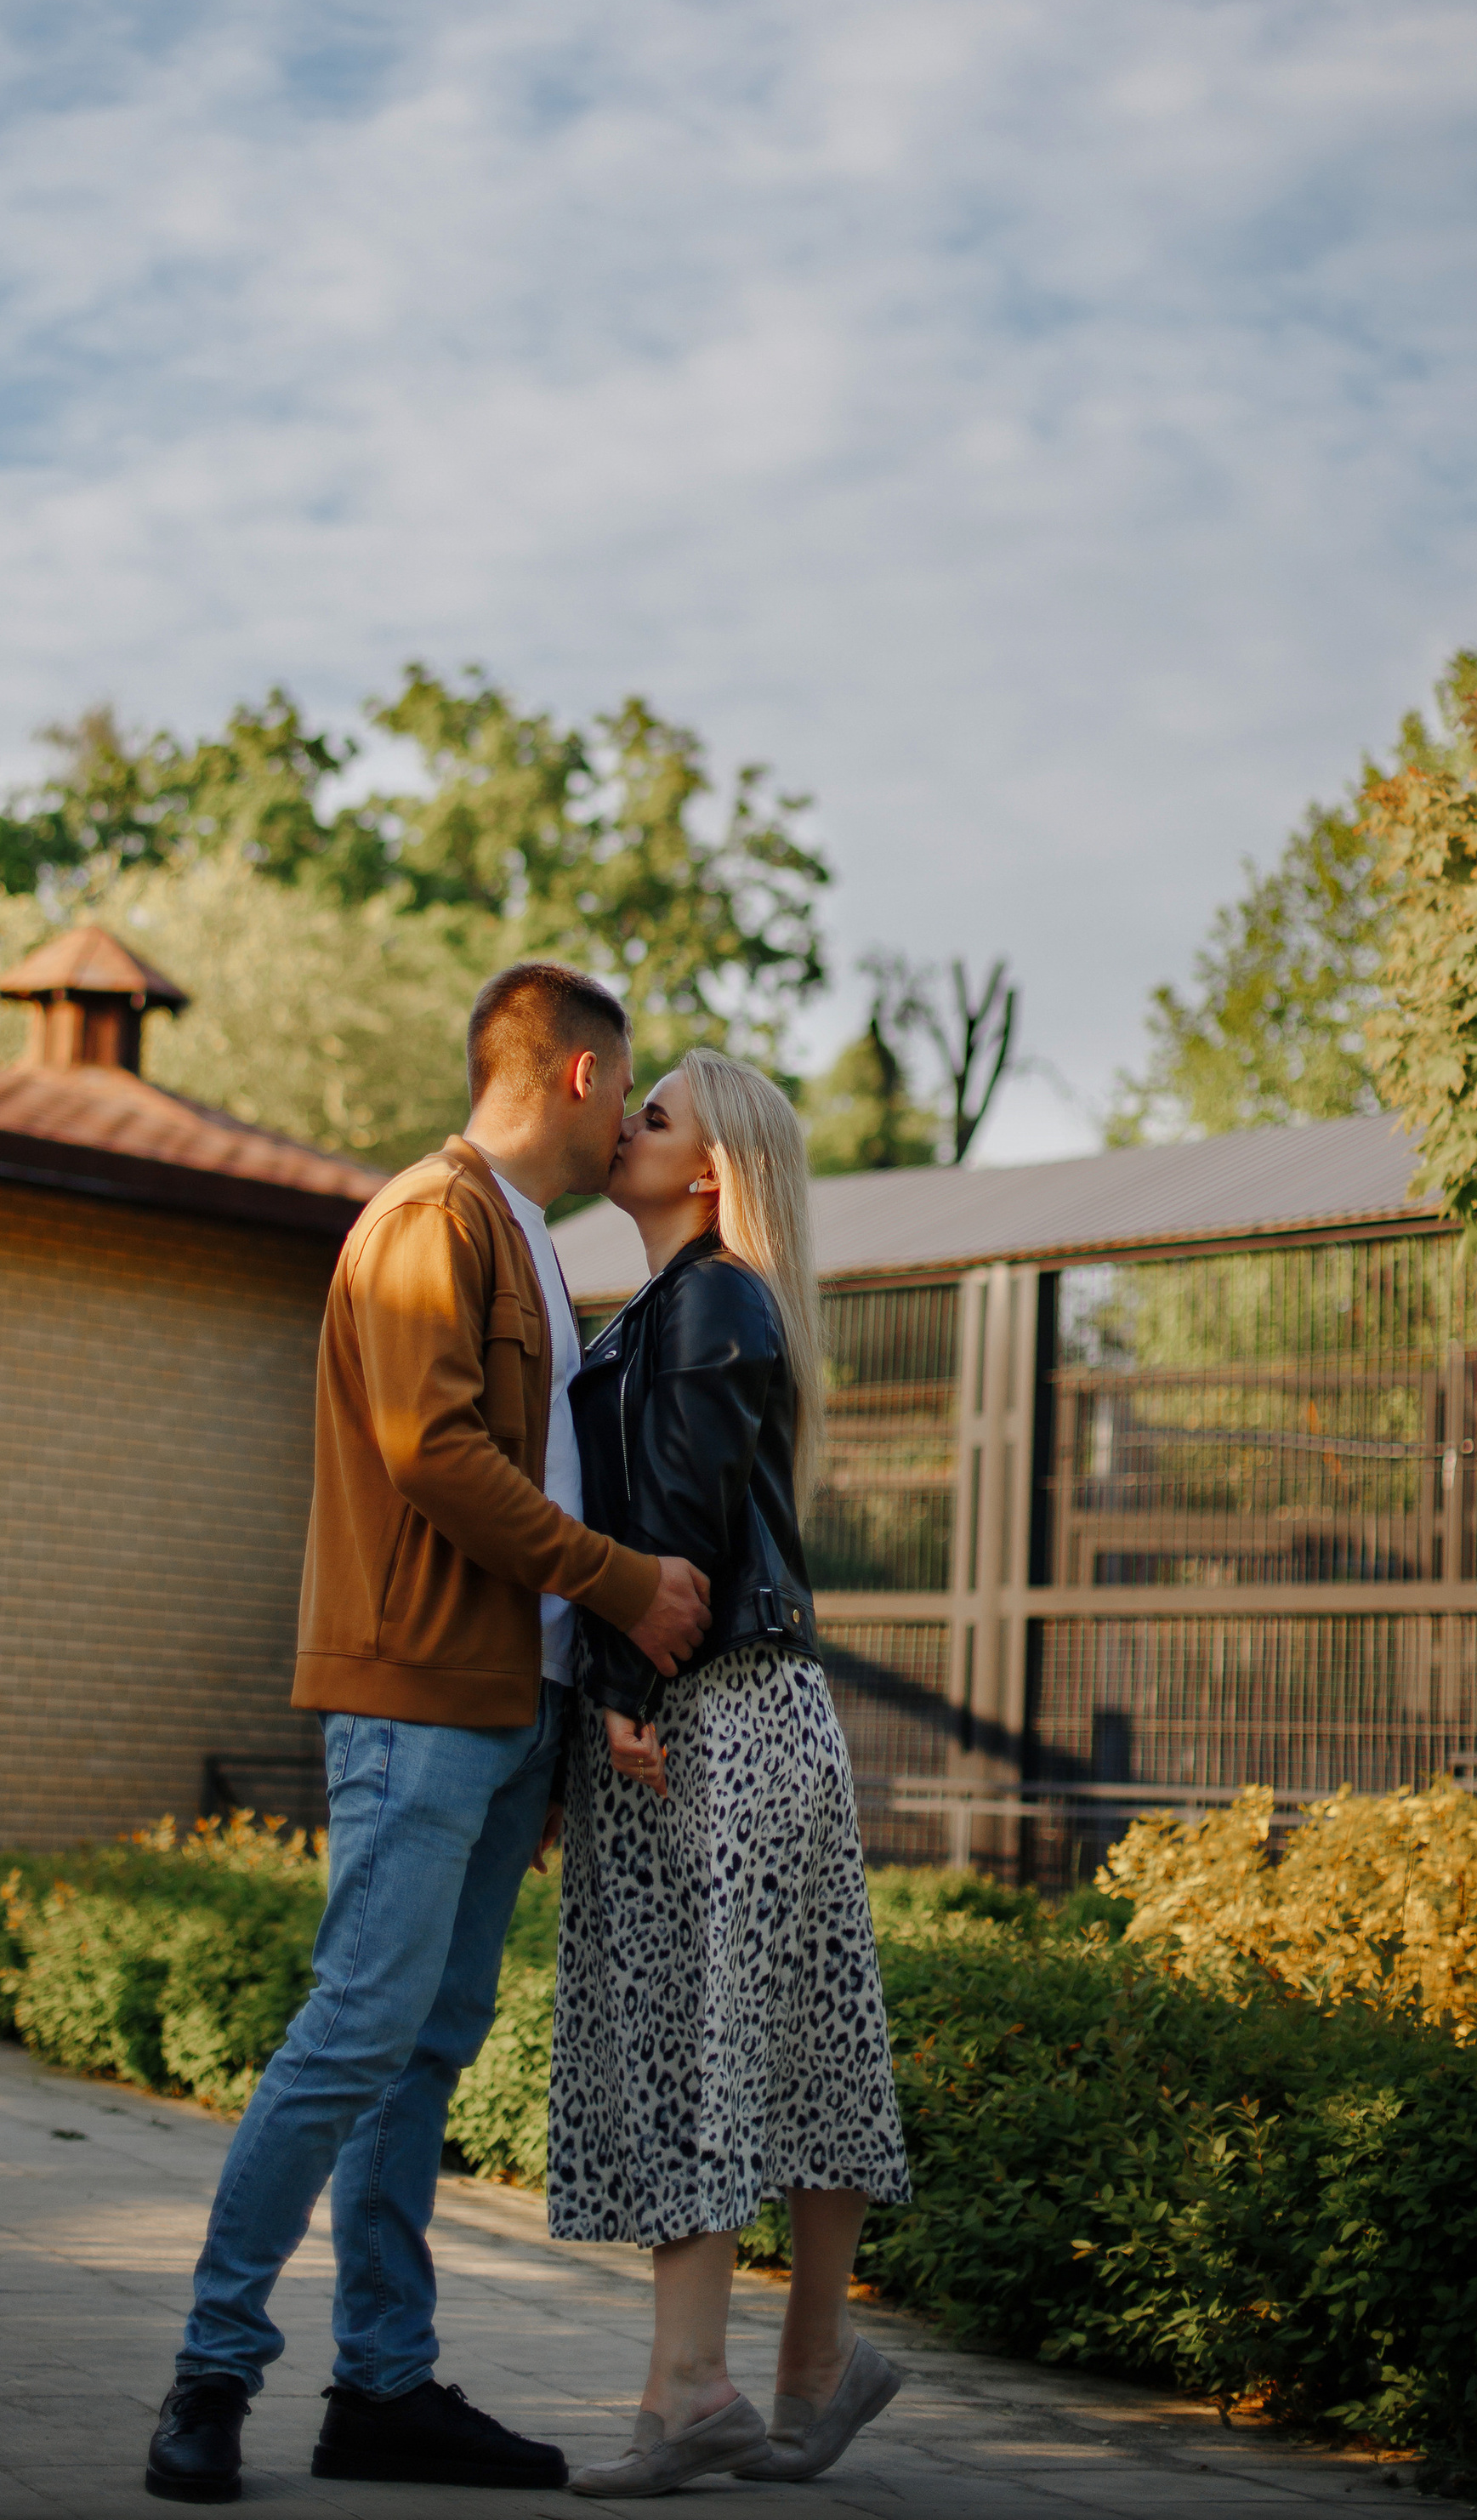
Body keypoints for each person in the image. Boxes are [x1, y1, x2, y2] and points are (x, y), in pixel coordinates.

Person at [145, 963, 713, 2506]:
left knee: (419, 2056)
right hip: (415, 1702)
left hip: (504, 1708)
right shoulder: (431, 1220)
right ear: (585, 1078)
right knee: (351, 2036)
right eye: (634, 1086)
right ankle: (210, 2374)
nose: (635, 1122)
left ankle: (384, 2389)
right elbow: (433, 1450)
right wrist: (622, 1586)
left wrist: (566, 1695)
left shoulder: (524, 1238)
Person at [547, 1050, 911, 2498]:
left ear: (710, 1169)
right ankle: (801, 2370)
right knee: (782, 2033)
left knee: (711, 2033)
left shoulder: (710, 1296)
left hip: (715, 1704)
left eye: (655, 1115)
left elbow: (682, 1512)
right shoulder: (670, 1305)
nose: (622, 1123)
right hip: (721, 1707)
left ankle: (701, 2389)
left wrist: (625, 1685)